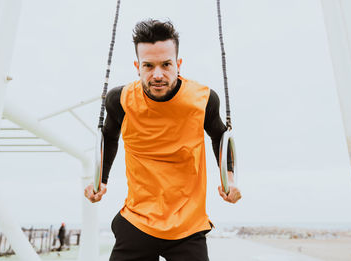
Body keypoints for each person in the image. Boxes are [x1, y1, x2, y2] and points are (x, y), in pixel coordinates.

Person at [84, 19, 242, 261]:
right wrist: (101, 179)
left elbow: (221, 136)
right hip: (137, 221)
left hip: (188, 227)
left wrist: (229, 179)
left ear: (178, 64)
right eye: (148, 66)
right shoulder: (120, 100)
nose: (158, 75)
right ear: (137, 66)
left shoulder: (204, 99)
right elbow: (108, 136)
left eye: (166, 65)